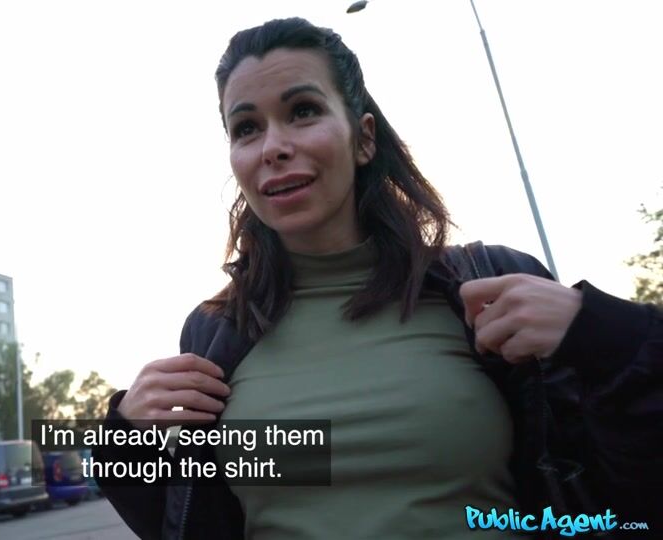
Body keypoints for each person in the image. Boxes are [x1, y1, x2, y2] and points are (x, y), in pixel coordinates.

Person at [94, 17, 662, 539]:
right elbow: (188, 525)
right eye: (246, 127)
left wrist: (604, 333)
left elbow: (631, 494)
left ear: (363, 137)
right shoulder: (214, 334)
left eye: (303, 111)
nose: (274, 147)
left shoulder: (491, 287)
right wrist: (125, 443)